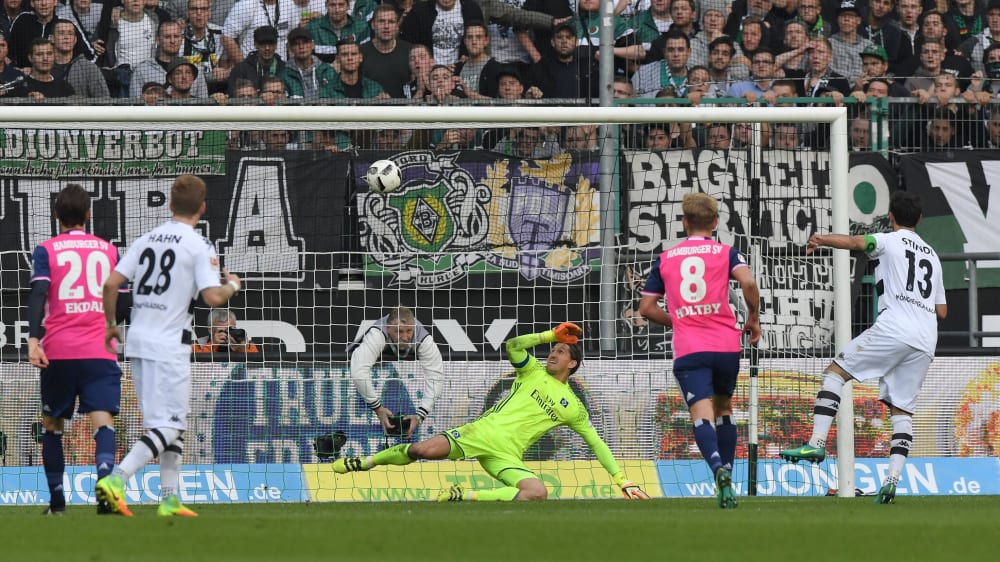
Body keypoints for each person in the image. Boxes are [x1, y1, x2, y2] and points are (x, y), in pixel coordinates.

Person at [334, 322, 651, 503]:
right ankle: (363, 463)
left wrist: (621, 480)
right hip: (481, 433)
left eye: (560, 352)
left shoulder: (574, 407)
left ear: (572, 364)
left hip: (508, 455)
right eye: (553, 350)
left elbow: (596, 442)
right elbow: (513, 346)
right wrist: (549, 336)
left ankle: (466, 495)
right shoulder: (533, 372)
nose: (553, 354)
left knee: (537, 493)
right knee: (420, 449)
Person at [780, 191, 947, 504]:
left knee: (836, 372)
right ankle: (892, 481)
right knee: (902, 411)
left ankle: (815, 442)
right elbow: (942, 312)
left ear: (891, 216)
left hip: (896, 328)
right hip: (925, 340)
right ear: (920, 219)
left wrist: (822, 239)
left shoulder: (888, 240)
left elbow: (861, 244)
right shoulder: (934, 257)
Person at [98, 175, 242, 517]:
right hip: (169, 344)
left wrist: (110, 325)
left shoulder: (146, 239)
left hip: (138, 340)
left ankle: (169, 497)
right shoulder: (198, 245)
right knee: (173, 424)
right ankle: (116, 480)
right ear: (203, 208)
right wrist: (233, 285)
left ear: (171, 205)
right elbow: (212, 297)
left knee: (162, 425)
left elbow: (111, 284)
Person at [638, 193, 761, 509]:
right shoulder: (726, 252)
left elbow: (647, 308)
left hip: (690, 349)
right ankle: (729, 475)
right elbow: (749, 284)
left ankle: (718, 468)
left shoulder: (666, 259)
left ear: (684, 222)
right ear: (716, 222)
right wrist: (753, 319)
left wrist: (678, 321)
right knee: (724, 409)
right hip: (725, 347)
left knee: (701, 414)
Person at [28, 183, 130, 516]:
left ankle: (57, 503)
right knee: (103, 423)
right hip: (100, 349)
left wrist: (32, 340)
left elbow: (38, 295)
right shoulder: (109, 250)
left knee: (53, 425)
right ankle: (104, 483)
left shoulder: (46, 250)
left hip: (58, 350)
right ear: (88, 214)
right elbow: (124, 301)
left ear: (57, 215)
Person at [346, 306, 444, 439]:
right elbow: (358, 372)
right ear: (388, 328)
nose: (405, 337)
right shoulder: (377, 334)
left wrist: (420, 416)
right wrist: (378, 409)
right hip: (352, 384)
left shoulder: (424, 339)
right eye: (399, 331)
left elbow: (436, 378)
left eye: (409, 331)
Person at [193, 308, 259, 353]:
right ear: (210, 330)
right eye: (221, 330)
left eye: (230, 329)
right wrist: (212, 345)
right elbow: (197, 368)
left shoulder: (246, 344)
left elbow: (255, 368)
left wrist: (242, 350)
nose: (226, 334)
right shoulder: (198, 344)